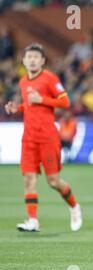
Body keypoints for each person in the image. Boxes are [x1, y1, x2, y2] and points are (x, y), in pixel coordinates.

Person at [4, 43, 82, 232]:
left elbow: (65, 101)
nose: (32, 60)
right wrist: (18, 108)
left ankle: (74, 206)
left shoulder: (49, 79)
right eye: (29, 57)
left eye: (35, 57)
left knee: (53, 181)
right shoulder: (23, 82)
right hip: (29, 138)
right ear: (23, 61)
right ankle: (33, 221)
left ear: (42, 61)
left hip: (47, 137)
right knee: (28, 179)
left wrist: (43, 99)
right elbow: (30, 105)